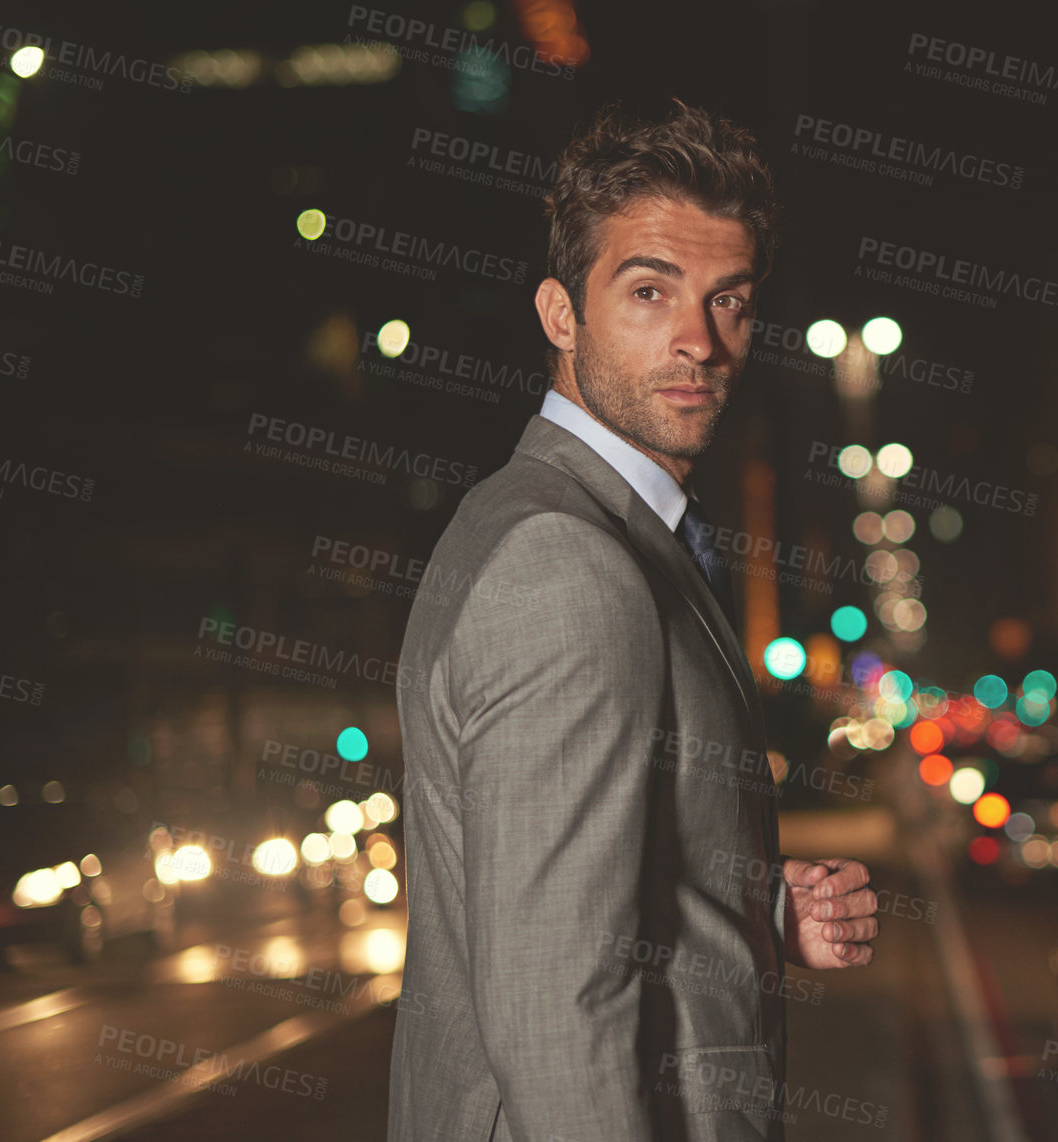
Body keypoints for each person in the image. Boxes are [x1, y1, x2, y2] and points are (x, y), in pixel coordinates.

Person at [387, 99, 879, 1142]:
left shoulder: (569, 527)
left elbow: (578, 884)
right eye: (648, 291)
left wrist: (751, 905)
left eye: (729, 301)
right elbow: (553, 1001)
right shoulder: (566, 563)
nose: (699, 340)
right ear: (560, 314)